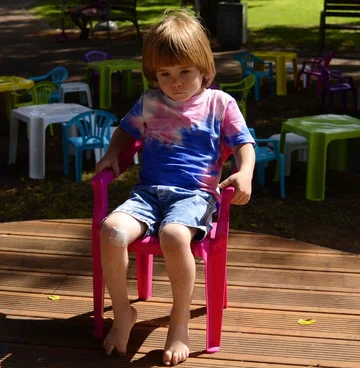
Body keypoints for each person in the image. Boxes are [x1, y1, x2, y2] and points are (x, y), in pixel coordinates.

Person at [95, 9, 255, 366]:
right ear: (154, 75)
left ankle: (179, 322)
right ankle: (123, 313)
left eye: (185, 72)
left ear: (205, 70)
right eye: (165, 74)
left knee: (174, 235)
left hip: (195, 196)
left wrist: (245, 173)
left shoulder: (220, 103)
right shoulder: (150, 102)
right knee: (112, 231)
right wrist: (111, 154)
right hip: (149, 194)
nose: (176, 82)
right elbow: (126, 130)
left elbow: (244, 143)